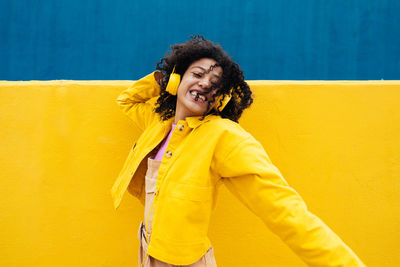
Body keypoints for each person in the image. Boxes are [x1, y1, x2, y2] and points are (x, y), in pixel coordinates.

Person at [111, 35, 365, 267]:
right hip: (148, 250)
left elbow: (286, 211)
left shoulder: (224, 137)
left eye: (215, 85)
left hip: (183, 262)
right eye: (197, 74)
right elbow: (127, 100)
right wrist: (165, 81)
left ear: (220, 98)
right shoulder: (159, 123)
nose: (204, 85)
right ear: (179, 78)